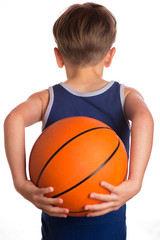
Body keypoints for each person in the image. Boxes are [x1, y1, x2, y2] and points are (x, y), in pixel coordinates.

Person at [4, 2, 154, 240]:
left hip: (58, 226)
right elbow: (144, 118)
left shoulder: (46, 99)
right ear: (109, 55)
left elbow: (14, 118)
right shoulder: (125, 96)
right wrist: (134, 182)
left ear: (58, 56)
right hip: (109, 224)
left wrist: (21, 183)